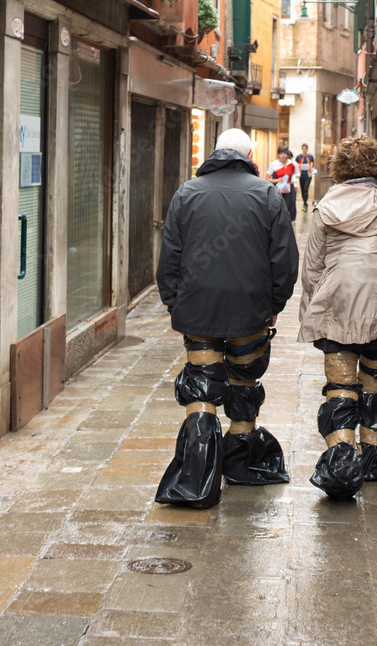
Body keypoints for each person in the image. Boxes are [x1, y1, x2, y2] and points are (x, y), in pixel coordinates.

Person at [155, 128, 300, 508]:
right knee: (244, 379)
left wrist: (176, 304)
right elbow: (285, 259)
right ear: (249, 156)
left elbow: (169, 258)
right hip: (251, 308)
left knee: (201, 384)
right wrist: (274, 304)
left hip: (197, 308)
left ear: (214, 153)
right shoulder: (266, 194)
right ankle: (242, 463)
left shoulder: (186, 193)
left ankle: (196, 479)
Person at [299, 134, 377, 500]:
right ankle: (374, 455)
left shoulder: (325, 207)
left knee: (340, 384)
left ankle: (341, 462)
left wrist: (313, 306)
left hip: (337, 298)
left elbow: (312, 266)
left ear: (339, 169)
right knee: (374, 381)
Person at [267, 147, 298, 223]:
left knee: (288, 205)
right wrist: (277, 180)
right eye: (281, 154)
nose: (283, 155)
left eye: (284, 154)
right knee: (278, 207)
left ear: (287, 155)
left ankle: (288, 222)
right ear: (278, 155)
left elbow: (294, 175)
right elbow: (267, 178)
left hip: (288, 190)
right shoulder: (274, 164)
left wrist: (295, 184)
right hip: (278, 190)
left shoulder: (292, 164)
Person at [295, 144, 315, 212]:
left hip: (308, 176)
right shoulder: (298, 157)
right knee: (303, 190)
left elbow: (313, 164)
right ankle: (305, 202)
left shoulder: (310, 156)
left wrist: (313, 168)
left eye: (305, 149)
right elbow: (295, 165)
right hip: (301, 176)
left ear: (307, 149)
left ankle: (304, 203)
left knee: (306, 189)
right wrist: (298, 166)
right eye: (303, 149)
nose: (304, 150)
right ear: (302, 149)